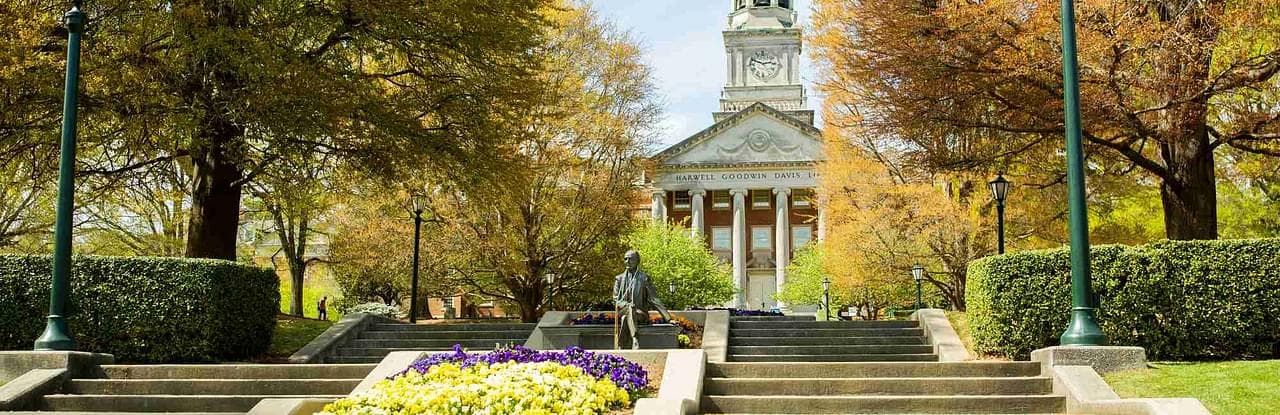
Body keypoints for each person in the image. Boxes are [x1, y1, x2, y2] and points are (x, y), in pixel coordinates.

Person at [613, 250, 673, 349]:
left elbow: (654, 299)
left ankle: (621, 346)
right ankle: (635, 339)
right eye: (625, 259)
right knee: (628, 310)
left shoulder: (644, 278)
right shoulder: (619, 279)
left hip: (640, 313)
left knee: (625, 318)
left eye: (630, 259)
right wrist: (626, 305)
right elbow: (615, 300)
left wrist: (668, 318)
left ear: (637, 261)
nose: (627, 261)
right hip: (623, 310)